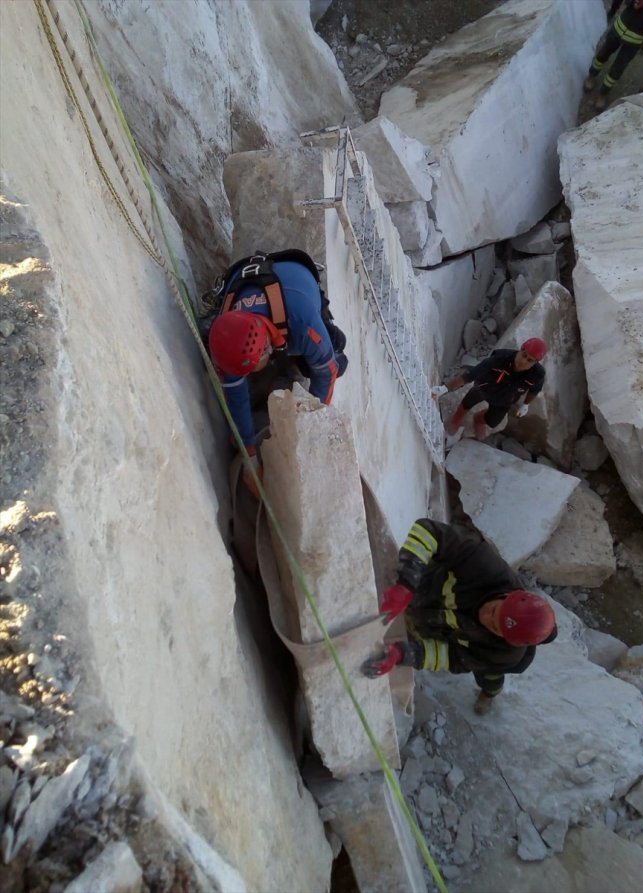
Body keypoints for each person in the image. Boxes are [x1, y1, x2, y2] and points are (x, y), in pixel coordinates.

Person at [362, 520, 557, 714]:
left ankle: (489, 695)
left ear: (504, 638)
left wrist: (403, 654)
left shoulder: (503, 653)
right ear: (508, 595)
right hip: (426, 591)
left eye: (495, 627)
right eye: (496, 610)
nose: (486, 616)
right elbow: (429, 531)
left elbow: (450, 656)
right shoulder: (487, 568)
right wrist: (406, 583)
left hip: (446, 631)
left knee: (489, 677)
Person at [208, 254, 343, 495]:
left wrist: (311, 425)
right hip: (249, 279)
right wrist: (250, 458)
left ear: (266, 350)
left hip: (297, 281)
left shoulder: (303, 323)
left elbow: (327, 373)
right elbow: (236, 397)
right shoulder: (229, 339)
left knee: (336, 356)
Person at [443, 337, 547, 441]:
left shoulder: (537, 375)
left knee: (493, 421)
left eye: (530, 360)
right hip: (485, 387)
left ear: (535, 363)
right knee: (468, 402)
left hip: (506, 399)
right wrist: (444, 388)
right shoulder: (500, 358)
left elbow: (535, 390)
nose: (524, 361)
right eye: (524, 355)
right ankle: (458, 416)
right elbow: (470, 375)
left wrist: (525, 405)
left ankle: (478, 420)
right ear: (521, 349)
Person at [585, 0, 643, 111]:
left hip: (635, 41)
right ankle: (592, 76)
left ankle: (603, 93)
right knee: (602, 55)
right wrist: (636, 3)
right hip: (618, 29)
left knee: (618, 68)